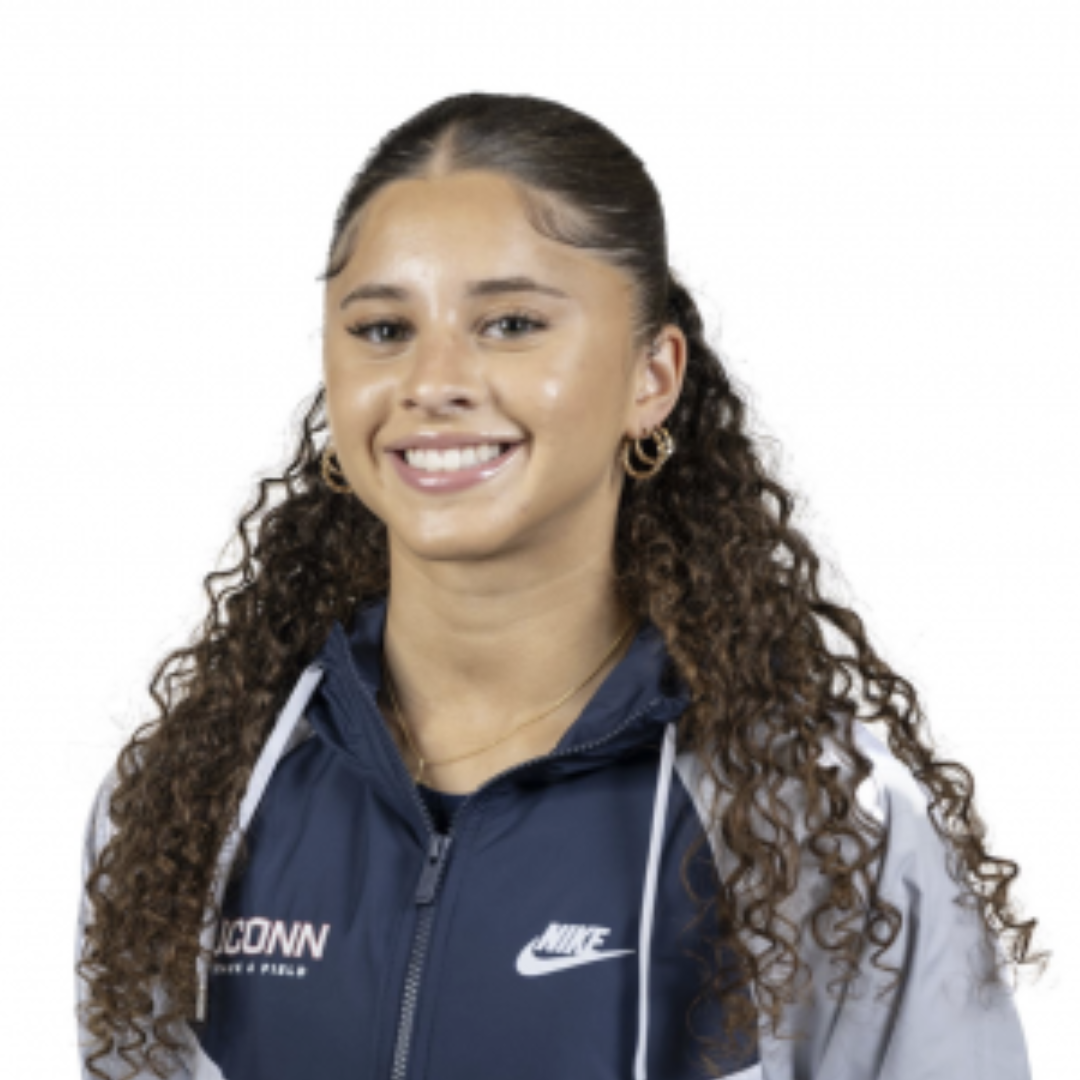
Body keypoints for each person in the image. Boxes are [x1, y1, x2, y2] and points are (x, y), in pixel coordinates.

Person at [75, 92, 1044, 1080]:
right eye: (380, 330)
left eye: (509, 322)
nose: (432, 380)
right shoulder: (190, 802)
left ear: (652, 376)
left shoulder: (816, 823)